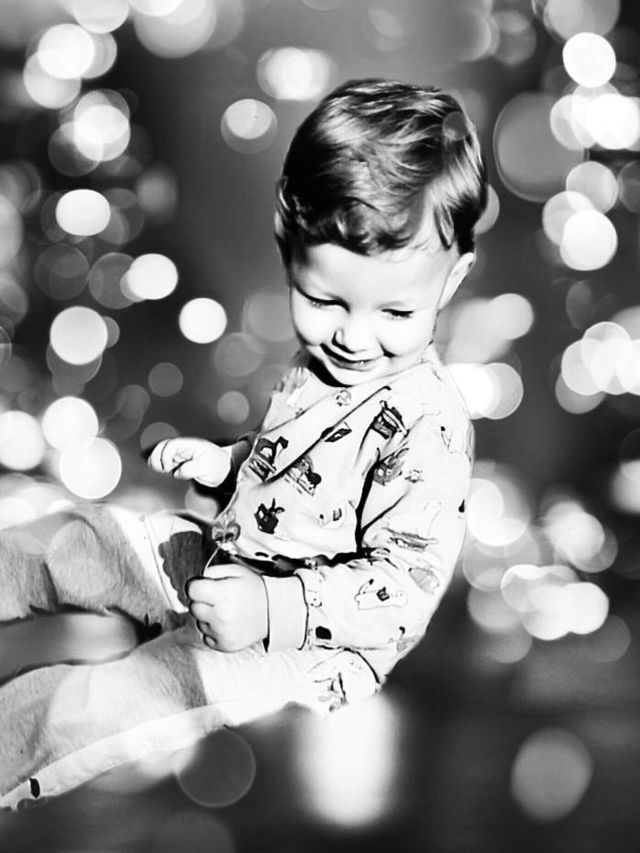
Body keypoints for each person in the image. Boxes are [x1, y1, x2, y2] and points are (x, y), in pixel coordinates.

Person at [0, 78, 487, 809]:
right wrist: (229, 463)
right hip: (231, 559)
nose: (355, 337)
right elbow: (307, 475)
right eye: (324, 300)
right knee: (81, 542)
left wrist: (271, 608)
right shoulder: (323, 369)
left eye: (395, 312)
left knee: (102, 703)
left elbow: (400, 591)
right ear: (289, 251)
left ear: (451, 281)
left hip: (306, 647)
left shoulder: (430, 426)